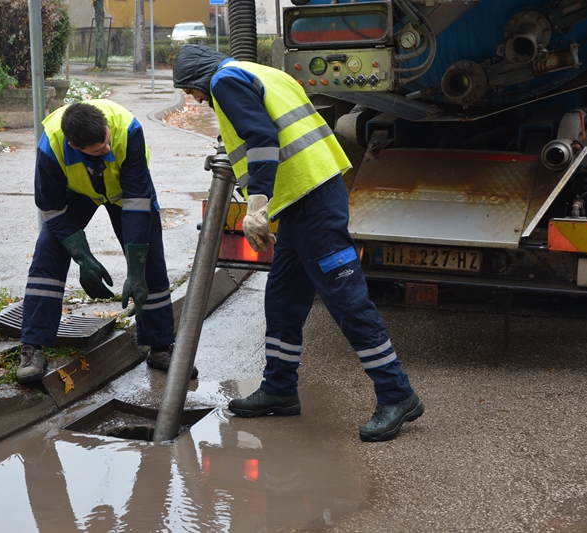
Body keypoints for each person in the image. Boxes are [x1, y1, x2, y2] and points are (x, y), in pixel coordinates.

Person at [172, 44, 422, 442]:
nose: (196, 101)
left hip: (312, 202)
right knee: (283, 298)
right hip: (302, 200)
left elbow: (262, 137)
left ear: (199, 78)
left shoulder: (224, 81)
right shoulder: (261, 72)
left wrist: (257, 202)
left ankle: (397, 394)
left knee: (347, 300)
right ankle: (280, 388)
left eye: (191, 92)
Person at [17, 100, 197, 384]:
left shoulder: (127, 129)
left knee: (149, 259)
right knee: (48, 254)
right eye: (100, 150)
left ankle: (161, 347)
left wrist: (135, 269)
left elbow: (138, 200)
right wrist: (83, 257)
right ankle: (32, 347)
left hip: (126, 192)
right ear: (75, 147)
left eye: (107, 141)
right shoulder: (51, 146)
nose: (108, 150)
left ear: (105, 125)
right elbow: (51, 206)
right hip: (75, 194)